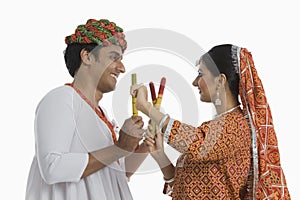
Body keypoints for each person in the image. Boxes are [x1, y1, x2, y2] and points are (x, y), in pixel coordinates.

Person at [132, 44, 290, 199]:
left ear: (220, 81)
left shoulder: (235, 126)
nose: (195, 82)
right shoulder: (217, 128)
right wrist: (160, 156)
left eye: (201, 74)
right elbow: (188, 189)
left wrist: (147, 108)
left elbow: (198, 144)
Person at [25, 19, 148, 200]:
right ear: (87, 56)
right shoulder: (61, 98)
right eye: (114, 57)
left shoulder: (102, 115)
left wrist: (146, 147)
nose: (122, 68)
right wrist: (119, 148)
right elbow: (52, 167)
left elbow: (115, 175)